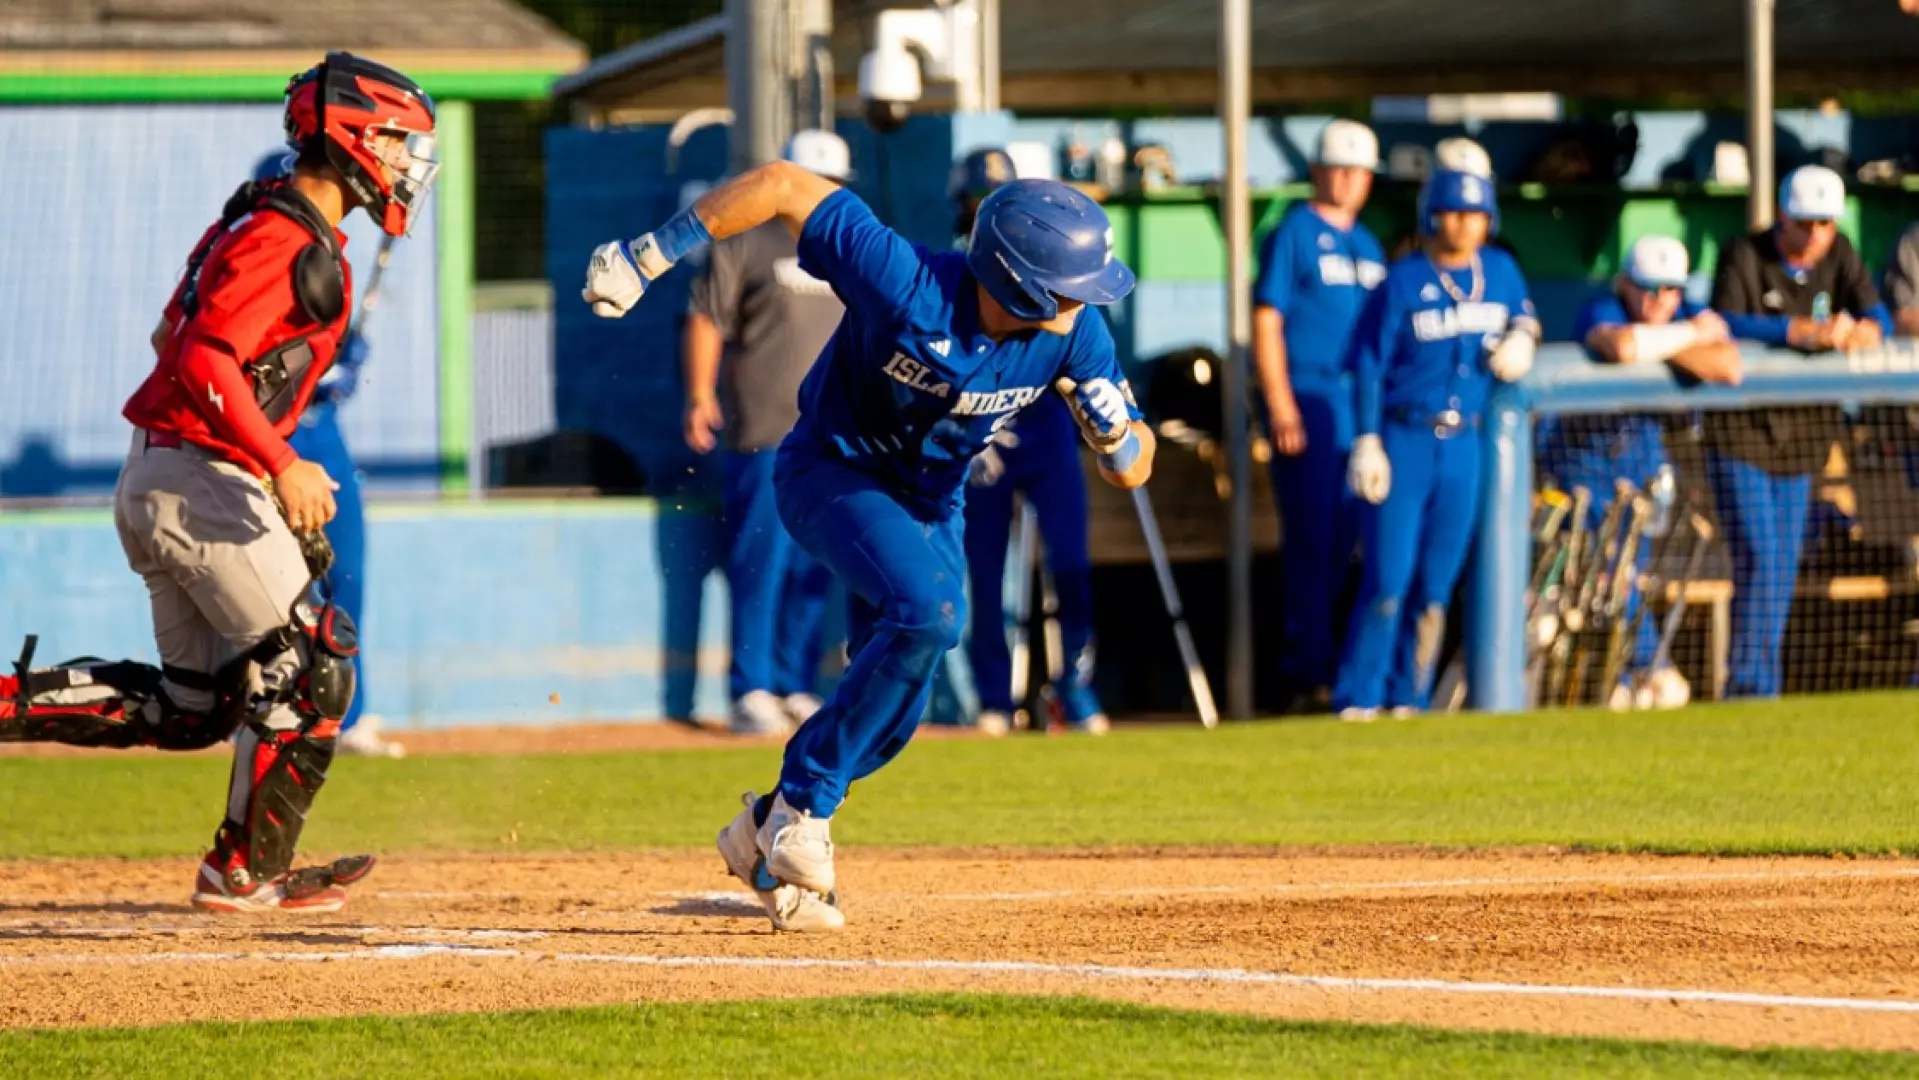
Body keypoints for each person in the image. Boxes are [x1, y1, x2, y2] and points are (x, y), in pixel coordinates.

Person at [583, 169, 1154, 931]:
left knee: (895, 710)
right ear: (1015, 282)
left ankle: (764, 828)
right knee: (929, 613)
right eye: (1069, 285)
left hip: (928, 502)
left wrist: (1116, 436)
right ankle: (805, 811)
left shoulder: (1075, 333)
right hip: (831, 470)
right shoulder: (906, 280)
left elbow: (1136, 467)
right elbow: (784, 186)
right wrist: (650, 254)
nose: (1084, 301)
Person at [0, 53, 438, 913]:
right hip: (198, 473)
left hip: (172, 470)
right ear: (347, 134)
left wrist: (242, 470)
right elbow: (201, 355)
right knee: (314, 669)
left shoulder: (255, 222)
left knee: (194, 709)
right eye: (393, 141)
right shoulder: (286, 235)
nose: (403, 163)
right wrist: (275, 462)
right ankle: (244, 870)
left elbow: (172, 337)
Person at [1334, 169, 1537, 721]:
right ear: (1432, 216)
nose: (1463, 224)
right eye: (1453, 212)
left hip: (1464, 442)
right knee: (1388, 579)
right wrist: (1367, 439)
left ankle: (1409, 697)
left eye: (1473, 214)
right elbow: (1368, 365)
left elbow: (1526, 318)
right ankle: (1359, 696)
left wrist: (1523, 336)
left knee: (1435, 585)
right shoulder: (1402, 280)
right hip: (1405, 435)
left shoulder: (1499, 270)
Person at [683, 131, 850, 736]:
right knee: (761, 557)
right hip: (767, 429)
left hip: (839, 435)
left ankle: (794, 682)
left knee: (817, 563)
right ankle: (749, 686)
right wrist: (701, 394)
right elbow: (707, 316)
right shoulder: (746, 239)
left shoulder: (846, 246)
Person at [1708, 164, 1889, 698]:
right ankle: (1748, 685)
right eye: (1805, 224)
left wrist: (1864, 328)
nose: (1815, 236)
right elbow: (1727, 320)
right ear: (1783, 216)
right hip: (1742, 435)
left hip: (1805, 437)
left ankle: (1761, 684)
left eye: (1824, 225)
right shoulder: (1744, 253)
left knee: (1781, 567)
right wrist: (1798, 331)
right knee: (1759, 557)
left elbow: (1872, 307)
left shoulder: (1840, 253)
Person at [1541, 236, 1744, 710]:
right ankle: (1646, 668)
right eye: (1648, 290)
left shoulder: (1684, 311)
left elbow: (1728, 365)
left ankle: (1637, 673)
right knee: (1607, 576)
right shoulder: (1602, 307)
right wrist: (1688, 335)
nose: (1659, 301)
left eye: (1670, 290)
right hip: (1582, 461)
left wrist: (1673, 339)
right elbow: (1624, 345)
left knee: (1628, 575)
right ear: (1626, 284)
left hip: (1644, 460)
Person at [250, 152, 402, 760]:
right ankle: (267, 711)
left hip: (322, 433)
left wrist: (342, 358)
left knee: (348, 574)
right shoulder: (257, 256)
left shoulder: (325, 261)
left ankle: (348, 715)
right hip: (268, 435)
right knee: (270, 585)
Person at [954, 148, 1110, 737]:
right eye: (976, 199)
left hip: (1045, 429)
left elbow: (1081, 350)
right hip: (982, 435)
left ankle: (1076, 684)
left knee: (1071, 561)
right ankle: (996, 694)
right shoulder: (957, 276)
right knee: (984, 572)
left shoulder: (1051, 270)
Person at [1251, 120, 1386, 712]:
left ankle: (1336, 669)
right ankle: (1304, 673)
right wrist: (1279, 400)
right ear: (1319, 171)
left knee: (1351, 543)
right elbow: (1267, 319)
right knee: (1311, 540)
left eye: (1359, 172)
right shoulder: (1295, 233)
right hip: (1307, 397)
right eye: (1340, 168)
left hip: (1360, 409)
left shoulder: (1370, 244)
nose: (1350, 180)